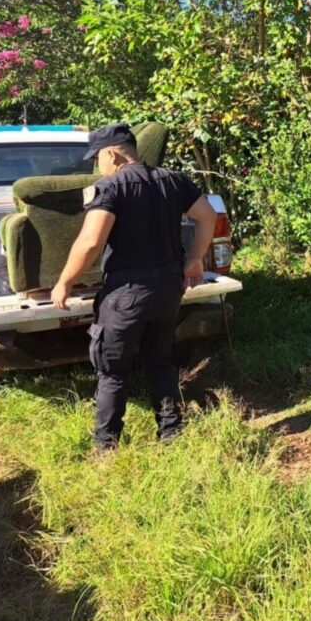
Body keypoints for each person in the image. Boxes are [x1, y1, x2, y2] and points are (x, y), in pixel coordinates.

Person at [51, 124, 217, 450]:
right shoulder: (173, 179)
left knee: (112, 372)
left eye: (97, 157)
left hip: (127, 293)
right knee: (159, 360)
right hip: (170, 288)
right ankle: (171, 434)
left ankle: (106, 449)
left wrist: (64, 282)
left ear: (112, 153)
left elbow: (90, 242)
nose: (98, 164)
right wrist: (195, 259)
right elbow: (207, 216)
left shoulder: (110, 187)